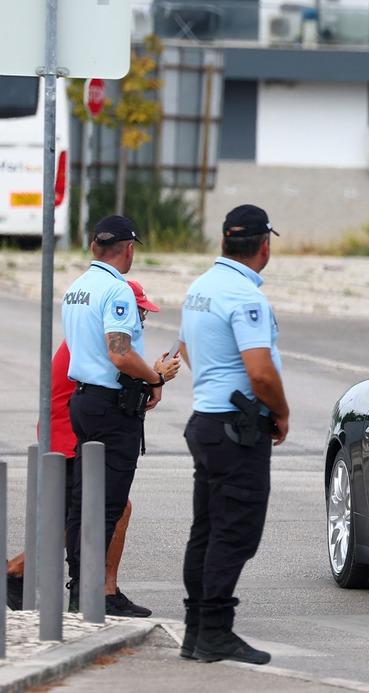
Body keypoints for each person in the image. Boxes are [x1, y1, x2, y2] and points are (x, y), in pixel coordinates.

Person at [8, 280, 179, 615]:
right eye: (140, 312)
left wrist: (152, 377)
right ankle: (100, 590)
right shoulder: (102, 340)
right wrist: (156, 376)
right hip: (68, 431)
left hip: (68, 427)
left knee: (82, 513)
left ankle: (23, 573)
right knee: (104, 510)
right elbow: (119, 387)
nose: (141, 319)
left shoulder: (91, 336)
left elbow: (124, 391)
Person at [177, 204, 289, 665]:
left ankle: (195, 632)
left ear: (224, 241)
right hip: (237, 430)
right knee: (234, 532)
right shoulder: (246, 297)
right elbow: (260, 373)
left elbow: (186, 347)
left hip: (207, 421)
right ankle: (215, 633)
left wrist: (214, 380)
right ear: (264, 246)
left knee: (206, 530)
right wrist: (280, 411)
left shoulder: (200, 288)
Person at [61, 217, 177, 614]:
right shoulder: (117, 290)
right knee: (107, 504)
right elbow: (120, 352)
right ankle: (92, 594)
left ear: (94, 246)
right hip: (111, 407)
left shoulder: (77, 288)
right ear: (128, 249)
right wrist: (154, 377)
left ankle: (80, 589)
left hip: (83, 400)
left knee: (83, 500)